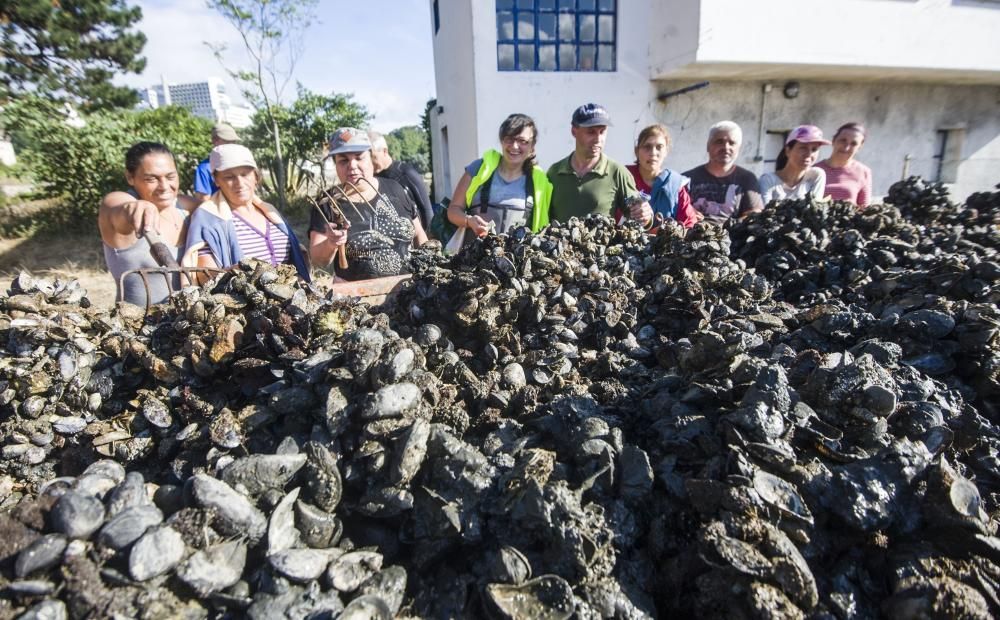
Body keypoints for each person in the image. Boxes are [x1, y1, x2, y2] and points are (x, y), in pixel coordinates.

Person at [309, 128, 429, 281]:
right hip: (357, 299)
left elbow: (420, 237)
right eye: (343, 160)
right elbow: (318, 261)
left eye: (359, 157)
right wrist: (330, 243)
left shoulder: (395, 189)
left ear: (371, 160)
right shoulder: (326, 202)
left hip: (409, 292)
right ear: (336, 165)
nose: (352, 165)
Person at [183, 143, 310, 281]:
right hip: (245, 300)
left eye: (245, 174)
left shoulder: (269, 211)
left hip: (289, 297)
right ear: (216, 180)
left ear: (256, 176)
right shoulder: (208, 218)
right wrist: (236, 272)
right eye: (229, 177)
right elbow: (203, 275)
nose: (239, 182)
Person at [100, 142, 195, 306]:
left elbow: (220, 208)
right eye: (151, 179)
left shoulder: (183, 206)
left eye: (171, 176)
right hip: (137, 328)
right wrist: (135, 207)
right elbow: (116, 210)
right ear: (130, 177)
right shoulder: (119, 203)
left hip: (188, 325)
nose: (164, 186)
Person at [446, 113, 552, 241]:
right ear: (501, 140)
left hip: (516, 260)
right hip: (473, 258)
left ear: (532, 145)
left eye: (522, 141)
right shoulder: (478, 168)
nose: (514, 146)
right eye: (509, 139)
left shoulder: (540, 184)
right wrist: (468, 220)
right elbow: (453, 210)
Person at [547, 103, 652, 227]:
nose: (598, 139)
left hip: (601, 246)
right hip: (560, 245)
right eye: (591, 132)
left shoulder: (617, 172)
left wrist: (645, 216)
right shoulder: (554, 172)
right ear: (574, 131)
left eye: (602, 132)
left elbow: (638, 216)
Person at [684, 121, 764, 222]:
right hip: (693, 234)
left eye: (732, 143)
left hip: (734, 236)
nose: (726, 147)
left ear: (738, 149)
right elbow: (675, 209)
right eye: (719, 142)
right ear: (708, 146)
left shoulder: (747, 179)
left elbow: (754, 215)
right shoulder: (686, 179)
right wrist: (687, 212)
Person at [625, 124, 700, 229]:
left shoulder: (674, 185)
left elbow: (689, 225)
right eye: (647, 147)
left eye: (659, 147)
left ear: (666, 151)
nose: (653, 153)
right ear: (637, 151)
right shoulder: (624, 177)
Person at [368, 131, 435, 234]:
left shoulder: (407, 174)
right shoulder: (371, 179)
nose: (371, 163)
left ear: (385, 151)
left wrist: (427, 241)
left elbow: (427, 211)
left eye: (373, 157)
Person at [759, 125, 829, 203]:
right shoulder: (768, 180)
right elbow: (765, 212)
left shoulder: (816, 175)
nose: (809, 154)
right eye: (803, 148)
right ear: (788, 151)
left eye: (814, 149)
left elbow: (814, 209)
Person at [817, 122, 872, 207]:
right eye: (843, 140)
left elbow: (864, 208)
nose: (846, 147)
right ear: (833, 140)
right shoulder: (815, 170)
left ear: (859, 147)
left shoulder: (864, 172)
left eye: (853, 144)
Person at [193, 123, 240, 202]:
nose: (231, 145)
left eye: (233, 142)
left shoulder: (238, 162)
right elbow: (203, 200)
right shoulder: (205, 168)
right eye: (227, 142)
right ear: (214, 141)